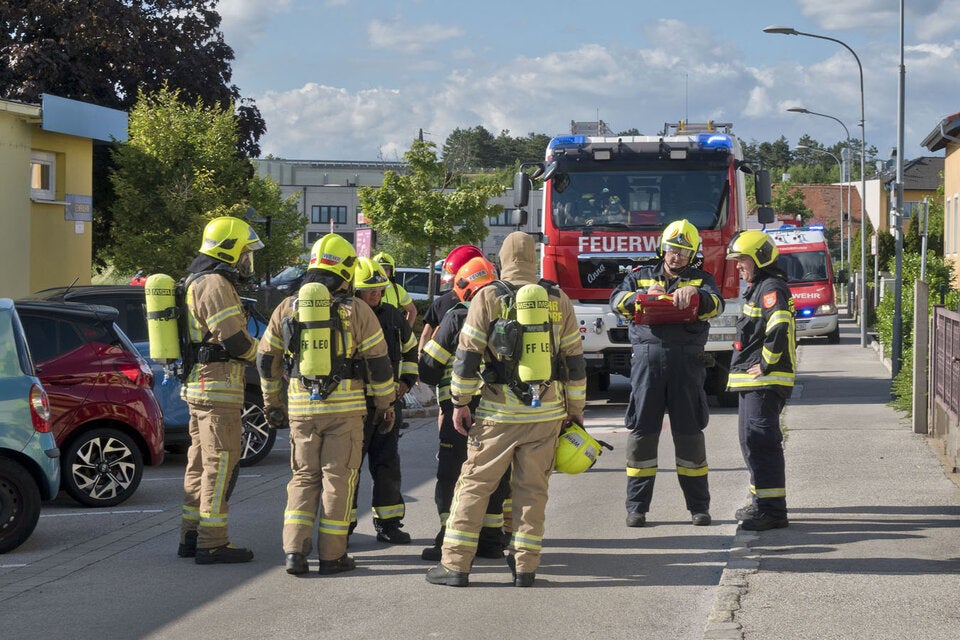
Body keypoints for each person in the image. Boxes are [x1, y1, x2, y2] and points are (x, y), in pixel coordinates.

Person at [425, 231, 586, 588]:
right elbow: (574, 360)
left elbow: (467, 356)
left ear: (501, 262)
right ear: (534, 259)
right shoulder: (558, 299)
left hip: (498, 413)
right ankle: (525, 567)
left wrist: (460, 402)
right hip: (546, 413)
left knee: (474, 485)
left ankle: (455, 565)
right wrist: (574, 409)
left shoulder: (488, 296)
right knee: (532, 492)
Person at [257, 233, 396, 576]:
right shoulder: (358, 310)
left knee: (303, 478)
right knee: (338, 480)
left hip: (301, 408)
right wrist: (385, 404)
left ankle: (294, 552)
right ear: (346, 270)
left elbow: (266, 359)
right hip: (344, 411)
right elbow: (379, 363)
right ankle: (333, 557)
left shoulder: (286, 307)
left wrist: (273, 402)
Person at [609, 219, 723, 528]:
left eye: (684, 252)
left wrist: (696, 295)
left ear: (693, 254)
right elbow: (616, 301)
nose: (677, 257)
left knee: (690, 438)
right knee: (642, 437)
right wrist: (641, 297)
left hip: (687, 368)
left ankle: (699, 508)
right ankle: (637, 509)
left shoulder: (702, 280)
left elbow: (717, 305)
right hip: (647, 369)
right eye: (673, 250)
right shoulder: (640, 276)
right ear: (663, 248)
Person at [177, 216, 263, 564]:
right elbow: (236, 341)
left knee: (199, 465)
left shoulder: (197, 279)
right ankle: (212, 541)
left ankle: (191, 535)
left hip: (201, 387)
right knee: (220, 464)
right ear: (229, 250)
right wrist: (266, 354)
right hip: (218, 389)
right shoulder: (214, 283)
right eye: (244, 253)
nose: (247, 260)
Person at [418, 256, 509, 562]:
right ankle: (492, 539)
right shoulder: (509, 312)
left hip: (460, 411)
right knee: (494, 474)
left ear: (464, 286)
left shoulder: (457, 317)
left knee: (452, 473)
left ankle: (449, 537)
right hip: (500, 411)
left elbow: (429, 367)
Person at [726, 230, 796, 531]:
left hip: (765, 382)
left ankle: (773, 511)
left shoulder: (771, 287)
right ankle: (760, 503)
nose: (738, 265)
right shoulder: (759, 287)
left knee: (762, 443)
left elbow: (778, 326)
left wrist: (766, 364)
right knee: (750, 442)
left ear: (759, 258)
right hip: (752, 383)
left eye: (742, 259)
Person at [348, 257, 418, 544]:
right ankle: (342, 528)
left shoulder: (392, 315)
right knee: (349, 468)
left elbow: (410, 350)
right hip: (355, 404)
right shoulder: (346, 316)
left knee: (387, 464)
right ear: (356, 290)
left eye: (379, 289)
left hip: (388, 404)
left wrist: (406, 381)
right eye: (370, 290)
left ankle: (389, 524)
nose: (376, 294)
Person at [418, 245, 484, 353]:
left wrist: (421, 356)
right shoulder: (487, 302)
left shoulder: (441, 302)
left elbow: (426, 334)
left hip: (440, 359)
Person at [373, 252, 418, 329]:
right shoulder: (367, 289)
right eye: (380, 269)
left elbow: (412, 311)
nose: (383, 272)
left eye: (386, 269)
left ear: (392, 271)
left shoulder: (397, 289)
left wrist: (406, 331)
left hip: (391, 333)